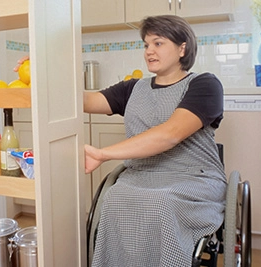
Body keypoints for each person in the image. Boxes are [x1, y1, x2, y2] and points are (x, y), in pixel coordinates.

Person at [15, 15, 226, 266]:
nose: (149, 51)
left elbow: (170, 133)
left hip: (193, 177)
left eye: (158, 43)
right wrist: (44, 71)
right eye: (146, 45)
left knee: (161, 203)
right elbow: (83, 100)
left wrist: (102, 154)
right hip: (141, 174)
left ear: (182, 48)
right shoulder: (132, 89)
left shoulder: (204, 84)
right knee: (113, 199)